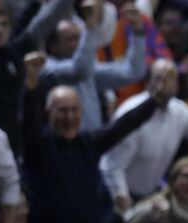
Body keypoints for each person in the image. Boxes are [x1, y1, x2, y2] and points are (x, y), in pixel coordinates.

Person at [22, 56, 158, 223]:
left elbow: (122, 127)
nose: (69, 117)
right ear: (49, 113)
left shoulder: (89, 143)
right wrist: (31, 85)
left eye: (74, 110)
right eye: (63, 111)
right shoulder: (38, 144)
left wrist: (154, 101)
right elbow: (28, 122)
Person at [100, 59, 188, 211]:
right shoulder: (130, 113)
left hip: (150, 195)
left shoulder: (179, 110)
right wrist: (124, 209)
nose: (164, 84)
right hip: (117, 196)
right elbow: (112, 167)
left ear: (177, 86)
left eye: (170, 78)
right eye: (159, 78)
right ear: (148, 83)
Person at [40, 4, 147, 133]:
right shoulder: (45, 69)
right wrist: (90, 28)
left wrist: (137, 30)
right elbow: (78, 71)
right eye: (72, 39)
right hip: (56, 148)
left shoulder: (90, 69)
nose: (81, 43)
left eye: (80, 37)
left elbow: (133, 72)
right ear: (53, 45)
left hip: (90, 147)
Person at [0, 0, 74, 153]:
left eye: (4, 25)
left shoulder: (15, 52)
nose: (0, 30)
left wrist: (35, 4)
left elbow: (45, 22)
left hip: (18, 139)